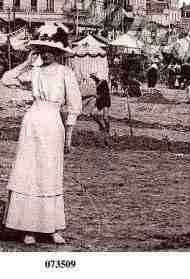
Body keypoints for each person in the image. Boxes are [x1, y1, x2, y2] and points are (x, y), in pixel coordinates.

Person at [0, 30, 82, 245]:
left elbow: (74, 106)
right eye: (43, 50)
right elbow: (7, 79)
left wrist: (69, 137)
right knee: (28, 173)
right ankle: (29, 228)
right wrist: (27, 63)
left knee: (49, 173)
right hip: (32, 122)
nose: (46, 55)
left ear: (58, 52)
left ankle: (52, 228)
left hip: (53, 124)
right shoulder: (34, 71)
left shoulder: (66, 73)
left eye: (51, 51)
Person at [89, 73, 111, 145]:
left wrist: (99, 96)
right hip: (99, 102)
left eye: (93, 77)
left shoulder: (103, 81)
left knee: (105, 118)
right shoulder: (96, 83)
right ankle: (101, 126)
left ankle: (107, 131)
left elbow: (106, 92)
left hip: (105, 101)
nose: (92, 78)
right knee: (92, 114)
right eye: (92, 77)